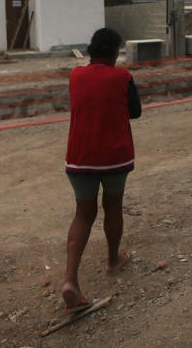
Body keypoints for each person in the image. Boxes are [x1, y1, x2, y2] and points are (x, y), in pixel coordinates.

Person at [61, 27, 141, 312]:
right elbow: (135, 111)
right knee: (113, 207)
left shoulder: (75, 76)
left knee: (83, 214)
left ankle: (70, 280)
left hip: (80, 157)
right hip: (114, 158)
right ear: (114, 53)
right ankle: (112, 260)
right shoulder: (122, 77)